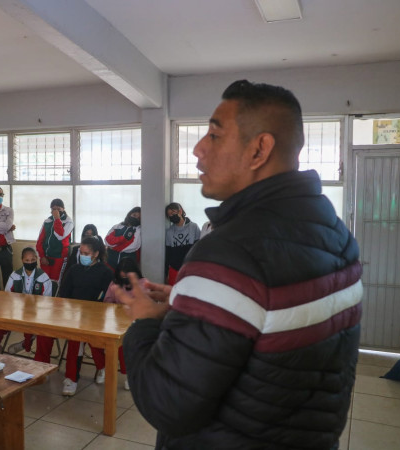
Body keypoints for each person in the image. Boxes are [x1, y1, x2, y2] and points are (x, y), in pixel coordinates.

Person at [113, 80, 362, 449]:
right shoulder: (336, 234)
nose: (197, 149)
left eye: (214, 135)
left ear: (259, 149)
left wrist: (145, 322)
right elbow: (268, 325)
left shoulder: (229, 252)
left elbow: (167, 404)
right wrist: (187, 302)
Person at [54, 237, 114, 396]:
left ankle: (102, 366)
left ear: (95, 254)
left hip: (96, 316)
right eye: (81, 252)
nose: (82, 255)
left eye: (86, 253)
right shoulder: (74, 269)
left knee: (94, 342)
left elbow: (107, 297)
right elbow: (64, 293)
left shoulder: (105, 272)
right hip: (74, 315)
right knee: (75, 344)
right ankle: (71, 378)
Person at [0, 247, 52, 354]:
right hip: (16, 311)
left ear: (37, 259)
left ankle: (26, 344)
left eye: (33, 260)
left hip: (36, 313)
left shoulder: (43, 277)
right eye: (27, 260)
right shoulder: (15, 275)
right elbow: (7, 296)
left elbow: (47, 301)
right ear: (22, 260)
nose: (30, 263)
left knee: (30, 324)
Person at [101, 258, 148, 391]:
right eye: (121, 277)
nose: (124, 281)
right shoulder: (115, 284)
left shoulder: (143, 284)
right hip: (116, 321)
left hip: (136, 323)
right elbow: (107, 302)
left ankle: (128, 374)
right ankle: (103, 368)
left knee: (125, 342)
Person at [164, 202, 202, 285]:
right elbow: (168, 253)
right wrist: (166, 273)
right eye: (169, 215)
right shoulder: (169, 232)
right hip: (174, 268)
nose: (171, 216)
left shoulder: (194, 227)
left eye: (173, 212)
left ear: (180, 211)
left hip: (191, 267)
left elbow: (198, 248)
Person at [36, 199, 74, 282]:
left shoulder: (69, 222)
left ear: (63, 209)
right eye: (53, 209)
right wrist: (42, 256)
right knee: (44, 281)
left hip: (59, 257)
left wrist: (57, 219)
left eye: (58, 209)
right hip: (46, 258)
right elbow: (39, 241)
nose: (56, 211)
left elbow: (60, 236)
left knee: (56, 282)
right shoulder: (47, 221)